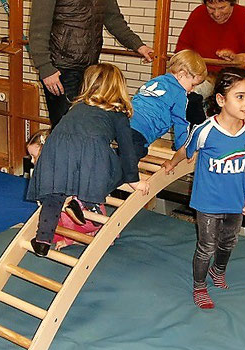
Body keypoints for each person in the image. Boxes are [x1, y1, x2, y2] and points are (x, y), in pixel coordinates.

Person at [164, 67, 245, 309]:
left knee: (229, 241)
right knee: (207, 245)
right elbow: (186, 151)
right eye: (240, 96)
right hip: (208, 201)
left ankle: (218, 271)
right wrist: (172, 162)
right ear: (221, 99)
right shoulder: (206, 130)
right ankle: (199, 286)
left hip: (234, 199)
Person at [27, 63, 150, 257]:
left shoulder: (77, 107)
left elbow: (70, 138)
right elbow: (127, 152)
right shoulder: (118, 115)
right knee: (114, 166)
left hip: (54, 148)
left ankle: (42, 240)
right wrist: (134, 180)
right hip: (89, 151)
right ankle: (85, 200)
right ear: (119, 88)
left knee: (54, 195)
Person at [29, 0, 154, 129]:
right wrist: (45, 68)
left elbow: (114, 19)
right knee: (65, 127)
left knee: (86, 124)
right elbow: (38, 29)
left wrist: (138, 46)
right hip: (60, 69)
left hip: (90, 71)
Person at [26, 129, 107, 250]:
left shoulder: (60, 174)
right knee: (51, 227)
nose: (32, 161)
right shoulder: (63, 165)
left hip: (87, 218)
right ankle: (87, 232)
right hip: (83, 216)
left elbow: (64, 214)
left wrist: (68, 240)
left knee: (59, 209)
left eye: (34, 156)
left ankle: (80, 234)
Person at [129, 49, 207, 162]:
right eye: (193, 85)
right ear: (181, 75)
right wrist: (184, 150)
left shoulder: (157, 80)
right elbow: (181, 123)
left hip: (125, 119)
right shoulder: (180, 94)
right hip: (141, 129)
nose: (192, 90)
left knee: (131, 148)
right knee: (136, 153)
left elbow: (139, 97)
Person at [175, 0, 245, 74]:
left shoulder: (244, 16)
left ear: (232, 3)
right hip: (199, 75)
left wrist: (239, 59)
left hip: (231, 78)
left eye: (222, 7)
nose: (217, 14)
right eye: (211, 8)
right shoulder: (198, 13)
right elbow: (182, 49)